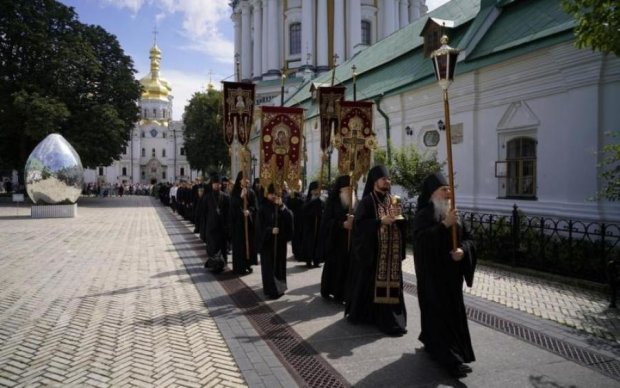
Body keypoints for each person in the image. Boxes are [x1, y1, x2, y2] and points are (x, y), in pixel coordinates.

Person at [412, 172, 476, 378]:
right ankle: (451, 360)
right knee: (438, 316)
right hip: (433, 277)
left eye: (449, 189)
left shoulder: (454, 213)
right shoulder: (423, 215)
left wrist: (463, 251)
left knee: (453, 316)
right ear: (432, 194)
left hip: (452, 277)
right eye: (444, 189)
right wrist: (443, 226)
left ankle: (450, 352)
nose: (449, 193)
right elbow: (421, 244)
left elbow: (470, 239)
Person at [345, 165, 407, 336]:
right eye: (383, 179)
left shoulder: (393, 200)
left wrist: (400, 220)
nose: (387, 182)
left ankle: (394, 318)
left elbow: (401, 225)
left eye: (388, 179)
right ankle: (374, 317)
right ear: (375, 181)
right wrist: (380, 222)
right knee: (371, 287)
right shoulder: (367, 202)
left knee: (394, 285)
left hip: (391, 256)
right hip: (375, 256)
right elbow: (359, 227)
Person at [320, 174, 356, 303]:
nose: (351, 191)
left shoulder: (355, 202)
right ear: (341, 190)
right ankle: (334, 291)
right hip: (336, 241)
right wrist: (342, 224)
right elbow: (326, 222)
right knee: (336, 268)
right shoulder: (333, 202)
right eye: (348, 189)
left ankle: (347, 294)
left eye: (352, 188)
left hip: (351, 241)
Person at [256, 184, 293, 299]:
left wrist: (282, 206)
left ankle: (280, 287)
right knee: (268, 268)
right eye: (271, 194)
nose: (273, 197)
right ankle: (270, 290)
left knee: (280, 266)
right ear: (267, 194)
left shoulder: (281, 207)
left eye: (276, 194)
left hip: (280, 243)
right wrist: (270, 230)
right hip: (268, 245)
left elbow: (290, 218)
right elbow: (259, 228)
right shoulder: (262, 208)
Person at [229, 171, 258, 275]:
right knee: (239, 246)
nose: (246, 180)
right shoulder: (235, 192)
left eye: (247, 179)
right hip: (238, 224)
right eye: (244, 179)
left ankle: (248, 264)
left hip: (248, 224)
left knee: (248, 245)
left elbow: (255, 206)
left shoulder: (251, 192)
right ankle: (239, 267)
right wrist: (240, 197)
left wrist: (249, 211)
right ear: (240, 180)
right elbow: (232, 207)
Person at [203, 173, 231, 273]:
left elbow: (229, 213)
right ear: (212, 185)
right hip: (211, 227)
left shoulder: (226, 197)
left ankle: (222, 265)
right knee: (212, 247)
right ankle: (214, 265)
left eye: (218, 184)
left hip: (222, 228)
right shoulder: (207, 198)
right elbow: (204, 213)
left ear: (221, 185)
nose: (217, 186)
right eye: (215, 184)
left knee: (222, 247)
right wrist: (204, 229)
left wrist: (228, 226)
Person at [300, 181, 324, 268]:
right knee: (309, 243)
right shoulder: (308, 199)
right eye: (316, 189)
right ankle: (308, 260)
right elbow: (304, 209)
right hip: (310, 225)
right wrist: (314, 201)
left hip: (318, 225)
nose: (317, 191)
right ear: (312, 190)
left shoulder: (321, 199)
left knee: (318, 242)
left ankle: (317, 260)